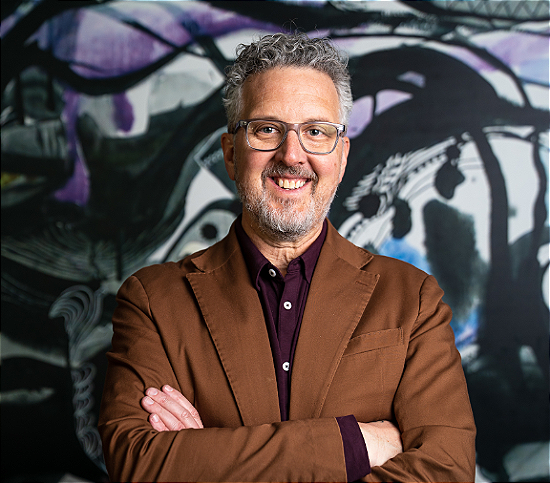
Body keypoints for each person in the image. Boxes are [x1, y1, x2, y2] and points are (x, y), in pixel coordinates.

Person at [98, 32, 476, 482]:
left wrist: (205, 457)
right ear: (230, 154)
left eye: (316, 132)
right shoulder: (152, 300)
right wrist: (354, 444)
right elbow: (139, 463)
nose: (292, 155)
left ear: (341, 157)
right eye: (267, 130)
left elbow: (447, 470)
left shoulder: (413, 299)